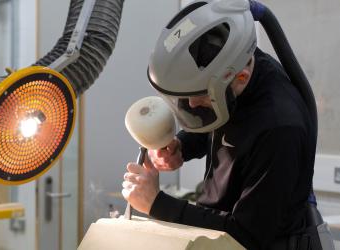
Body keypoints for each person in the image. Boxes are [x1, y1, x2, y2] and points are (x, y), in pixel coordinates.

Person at [121, 1, 322, 249]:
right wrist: (182, 146)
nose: (192, 104)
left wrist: (157, 204)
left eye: (200, 94)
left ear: (240, 78)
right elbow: (226, 118)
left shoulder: (280, 129)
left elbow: (247, 234)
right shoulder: (234, 63)